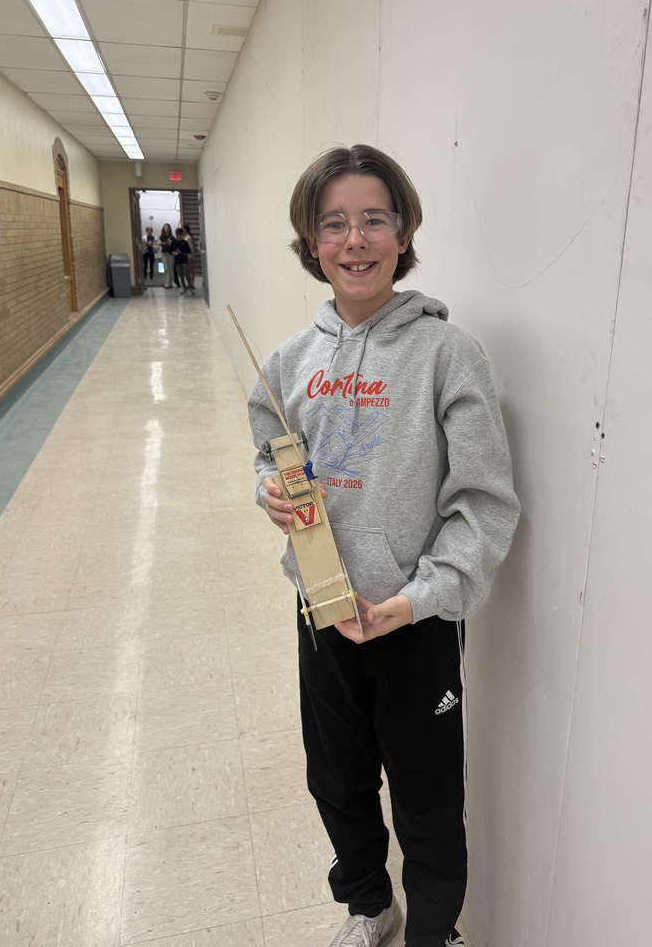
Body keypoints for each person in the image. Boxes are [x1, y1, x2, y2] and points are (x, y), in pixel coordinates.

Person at [247, 145, 520, 947]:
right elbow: (269, 453)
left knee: (429, 796)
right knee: (336, 778)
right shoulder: (291, 361)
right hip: (322, 613)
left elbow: (484, 502)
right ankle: (369, 905)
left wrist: (420, 598)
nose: (355, 240)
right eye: (334, 223)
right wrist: (268, 490)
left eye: (374, 220)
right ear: (312, 242)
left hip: (415, 622)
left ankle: (434, 932)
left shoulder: (448, 354)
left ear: (403, 235)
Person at [171, 228, 193, 294]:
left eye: (180, 235)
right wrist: (174, 253)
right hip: (177, 261)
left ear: (182, 235)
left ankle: (190, 287)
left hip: (184, 260)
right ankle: (184, 288)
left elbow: (188, 251)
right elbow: (171, 250)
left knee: (186, 273)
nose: (178, 237)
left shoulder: (185, 242)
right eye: (177, 235)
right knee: (180, 275)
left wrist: (181, 252)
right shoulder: (174, 242)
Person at [159, 223, 176, 288]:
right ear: (163, 228)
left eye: (168, 227)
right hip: (164, 254)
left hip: (171, 253)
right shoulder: (161, 237)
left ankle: (171, 282)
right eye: (165, 227)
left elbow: (174, 245)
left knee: (171, 268)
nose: (166, 229)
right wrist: (163, 244)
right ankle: (166, 282)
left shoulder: (172, 237)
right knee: (166, 268)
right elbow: (159, 244)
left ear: (169, 229)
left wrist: (171, 243)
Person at [184, 223, 197, 291]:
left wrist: (190, 255)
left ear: (185, 229)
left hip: (189, 255)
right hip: (187, 255)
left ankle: (192, 283)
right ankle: (190, 283)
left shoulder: (188, 237)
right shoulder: (186, 237)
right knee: (189, 270)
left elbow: (191, 248)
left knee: (190, 269)